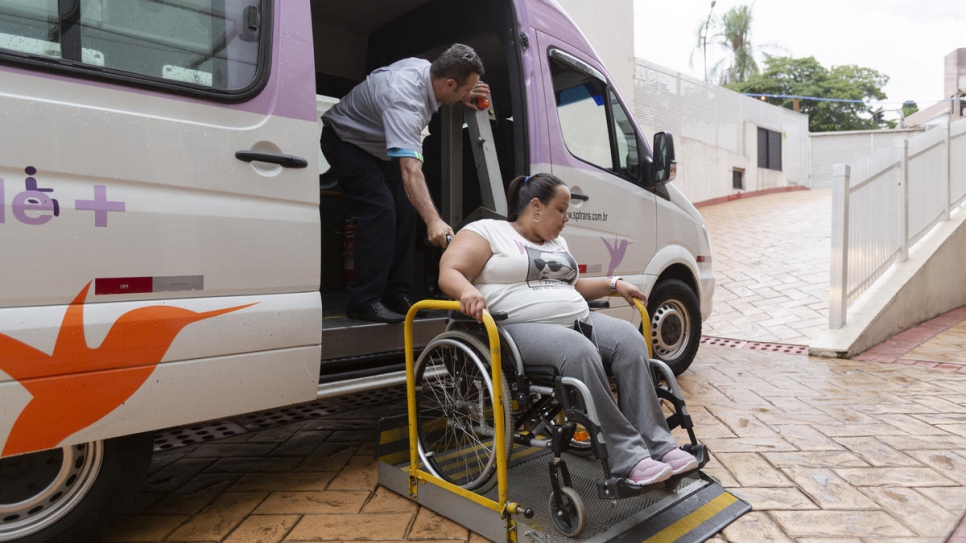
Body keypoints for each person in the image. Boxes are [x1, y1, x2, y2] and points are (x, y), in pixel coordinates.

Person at [438, 173, 699, 486]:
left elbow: (574, 286)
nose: (566, 218)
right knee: (579, 350)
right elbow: (450, 271)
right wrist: (467, 291)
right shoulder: (488, 232)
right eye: (560, 210)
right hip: (516, 329)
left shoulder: (556, 243)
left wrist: (614, 285)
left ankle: (659, 446)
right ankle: (628, 457)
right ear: (536, 206)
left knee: (630, 340)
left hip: (577, 319)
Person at [321, 44, 489, 323]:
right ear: (449, 83)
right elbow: (411, 170)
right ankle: (364, 301)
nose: (468, 93)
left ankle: (398, 294)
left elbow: (407, 172)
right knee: (380, 210)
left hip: (376, 146)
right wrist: (434, 221)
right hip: (345, 142)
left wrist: (463, 94)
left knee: (406, 211)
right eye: (465, 88)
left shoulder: (426, 70)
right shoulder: (404, 99)